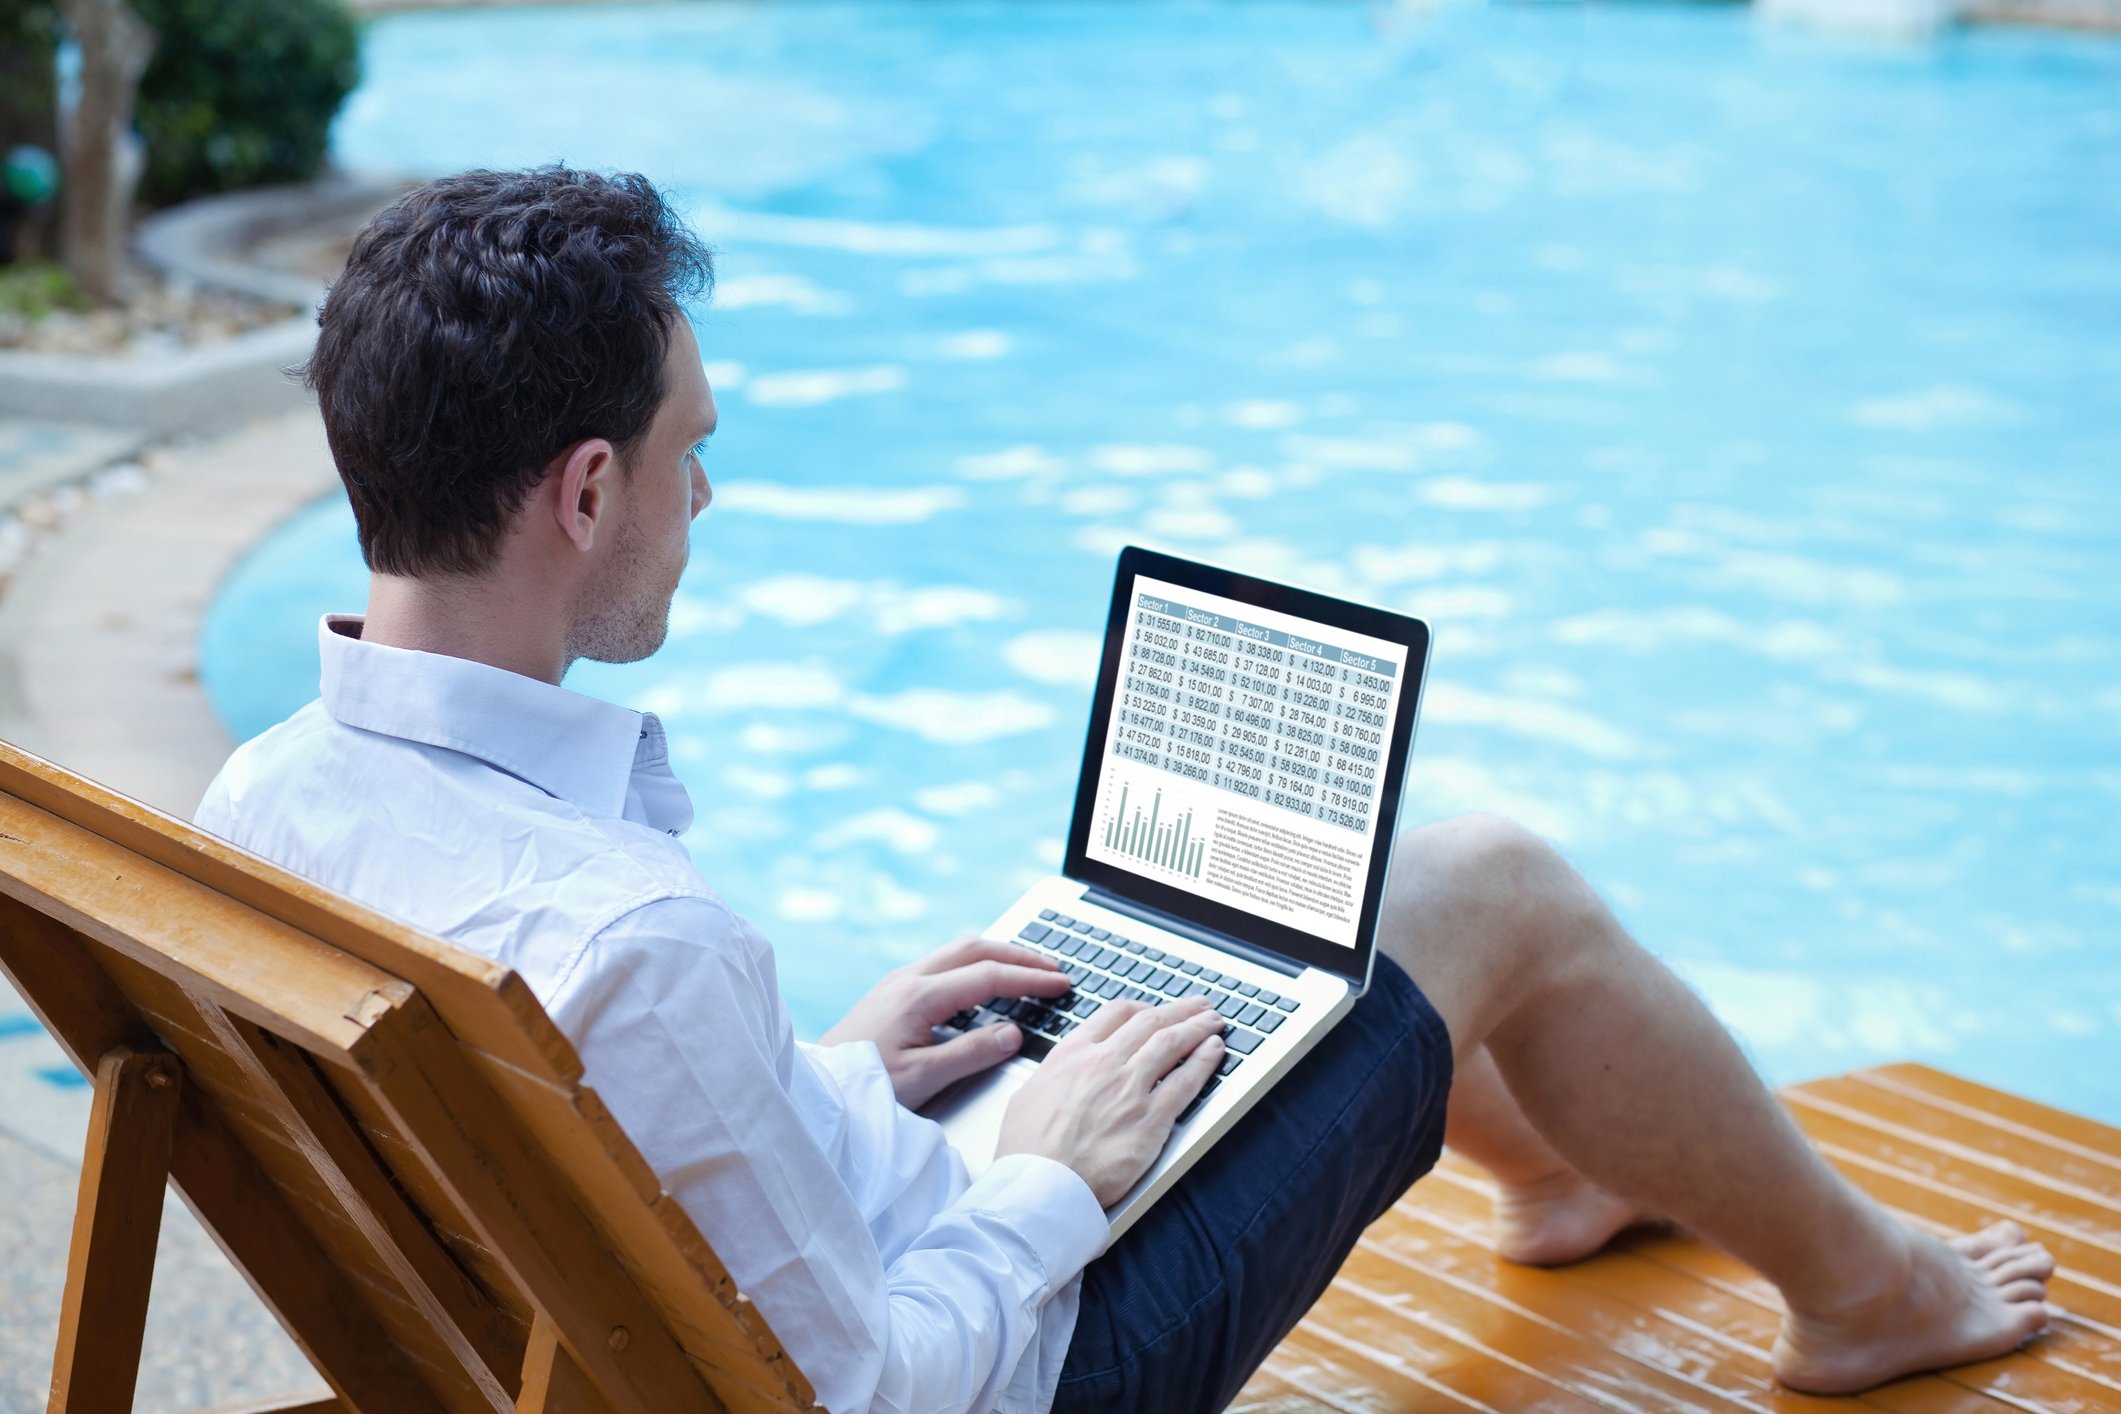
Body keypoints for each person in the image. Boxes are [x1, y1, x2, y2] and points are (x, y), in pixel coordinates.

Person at [195, 166, 2053, 1414]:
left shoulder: (264, 813)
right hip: (1032, 1352)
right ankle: (1871, 1294)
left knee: (1159, 949)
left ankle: (1560, 1172)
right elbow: (877, 1398)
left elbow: (624, 1169)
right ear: (585, 492)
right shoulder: (637, 943)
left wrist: (825, 1082)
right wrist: (1047, 1179)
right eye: (693, 452)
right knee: (1477, 874)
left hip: (722, 1288)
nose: (707, 496)